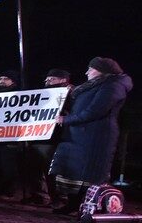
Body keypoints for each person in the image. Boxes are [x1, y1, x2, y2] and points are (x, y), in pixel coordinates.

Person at [50, 58, 133, 214]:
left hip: (95, 136)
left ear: (102, 71)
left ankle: (87, 205)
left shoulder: (113, 86)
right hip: (78, 134)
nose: (87, 72)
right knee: (73, 170)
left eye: (91, 69)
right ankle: (72, 203)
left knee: (87, 172)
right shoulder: (93, 85)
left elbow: (95, 111)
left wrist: (66, 120)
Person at [26, 69, 73, 206]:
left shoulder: (71, 94)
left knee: (51, 170)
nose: (47, 81)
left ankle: (58, 199)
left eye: (51, 79)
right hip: (37, 136)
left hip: (55, 138)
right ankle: (40, 196)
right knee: (35, 169)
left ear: (63, 80)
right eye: (46, 79)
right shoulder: (42, 94)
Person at [0, 70, 24, 200]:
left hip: (11, 137)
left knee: (9, 166)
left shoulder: (19, 94)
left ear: (13, 81)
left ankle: (8, 191)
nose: (2, 81)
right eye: (1, 78)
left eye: (6, 79)